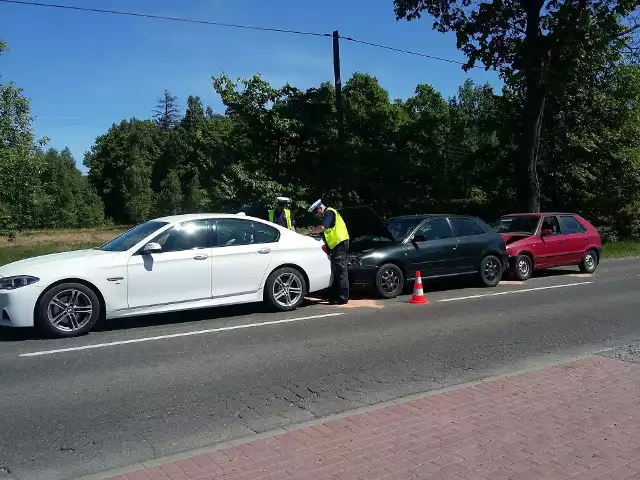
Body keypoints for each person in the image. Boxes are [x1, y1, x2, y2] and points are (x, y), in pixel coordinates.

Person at [308, 199, 350, 305]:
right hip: (337, 244)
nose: (317, 215)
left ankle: (343, 297)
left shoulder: (329, 213)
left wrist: (311, 232)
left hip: (339, 244)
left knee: (341, 271)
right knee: (338, 271)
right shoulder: (330, 213)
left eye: (316, 212)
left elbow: (323, 227)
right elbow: (328, 230)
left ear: (320, 208)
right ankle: (336, 296)